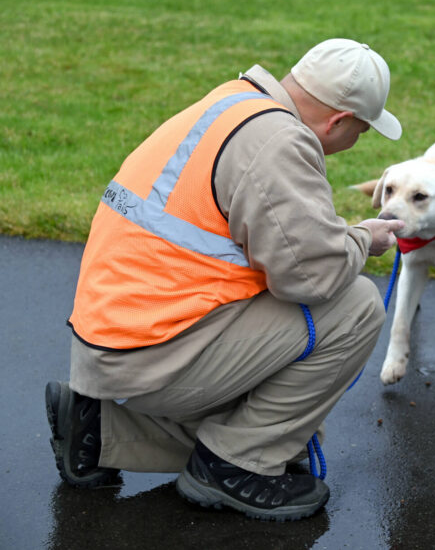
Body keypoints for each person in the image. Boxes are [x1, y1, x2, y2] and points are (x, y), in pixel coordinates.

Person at [44, 38, 406, 522]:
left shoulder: (232, 103)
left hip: (114, 343)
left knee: (288, 429)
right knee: (356, 306)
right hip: (155, 353)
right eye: (360, 131)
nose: (355, 142)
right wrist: (364, 239)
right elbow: (312, 279)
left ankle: (101, 428)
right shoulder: (280, 142)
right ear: (338, 121)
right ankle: (233, 466)